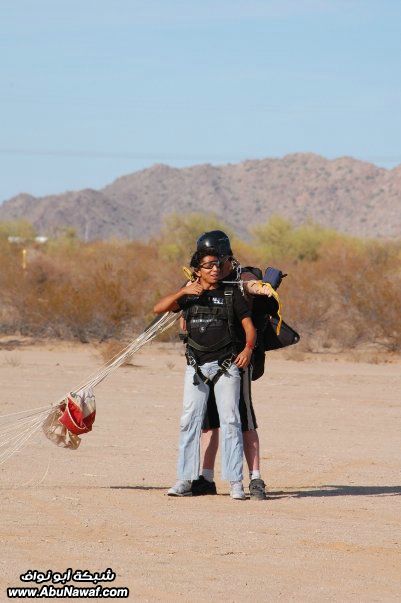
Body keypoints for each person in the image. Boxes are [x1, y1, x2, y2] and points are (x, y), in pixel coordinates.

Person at [153, 248, 256, 500]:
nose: (215, 269)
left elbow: (249, 328)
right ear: (197, 270)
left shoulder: (232, 294)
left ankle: (235, 483)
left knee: (231, 420)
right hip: (196, 367)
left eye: (218, 264)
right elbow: (158, 308)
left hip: (226, 368)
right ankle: (185, 479)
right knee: (189, 421)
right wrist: (182, 292)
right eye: (208, 265)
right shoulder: (189, 296)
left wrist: (248, 349)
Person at [189, 230, 278, 501]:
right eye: (209, 260)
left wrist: (261, 287)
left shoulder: (242, 277)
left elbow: (253, 284)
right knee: (209, 423)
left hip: (237, 362)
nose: (214, 265)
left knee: (243, 420)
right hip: (206, 363)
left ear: (227, 257)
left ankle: (256, 478)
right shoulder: (201, 281)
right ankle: (205, 477)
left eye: (218, 259)